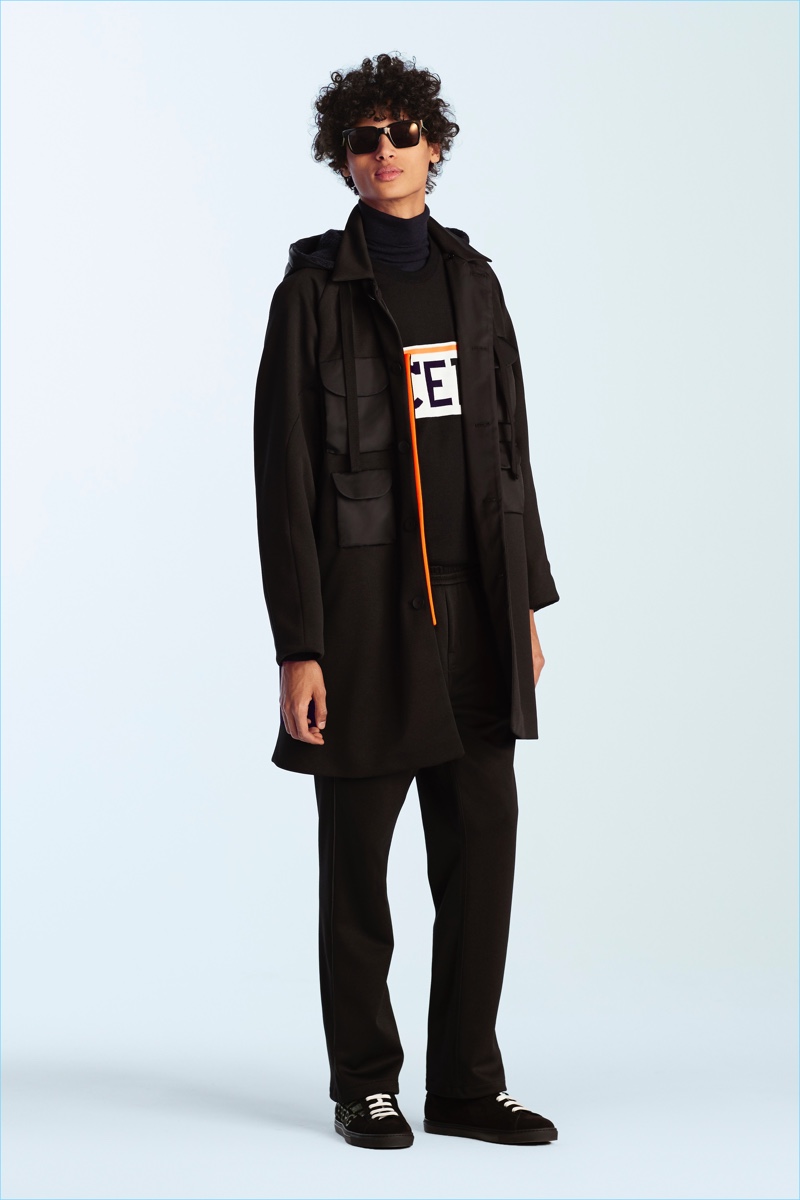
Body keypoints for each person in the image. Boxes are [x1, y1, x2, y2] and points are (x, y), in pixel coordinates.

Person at [253, 53, 560, 1150]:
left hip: (476, 612)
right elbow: (284, 479)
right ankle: (365, 1082)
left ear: (433, 145)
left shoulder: (474, 284)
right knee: (358, 867)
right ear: (342, 159)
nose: (382, 152)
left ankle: (467, 1085)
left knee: (481, 852)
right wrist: (300, 646)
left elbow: (510, 450)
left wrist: (525, 604)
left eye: (400, 133)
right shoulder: (312, 293)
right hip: (365, 616)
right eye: (362, 139)